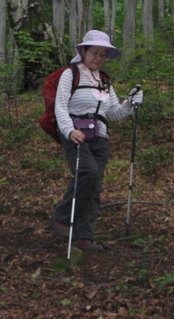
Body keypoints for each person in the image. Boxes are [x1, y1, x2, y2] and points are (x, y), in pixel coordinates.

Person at [50, 30, 143, 252]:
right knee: (88, 173)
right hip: (76, 134)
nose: (98, 58)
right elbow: (60, 106)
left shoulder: (105, 80)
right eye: (94, 52)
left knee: (94, 186)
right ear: (84, 51)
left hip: (100, 138)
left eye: (103, 54)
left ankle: (84, 237)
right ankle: (62, 218)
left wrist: (130, 103)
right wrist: (69, 131)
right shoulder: (71, 74)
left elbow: (113, 113)